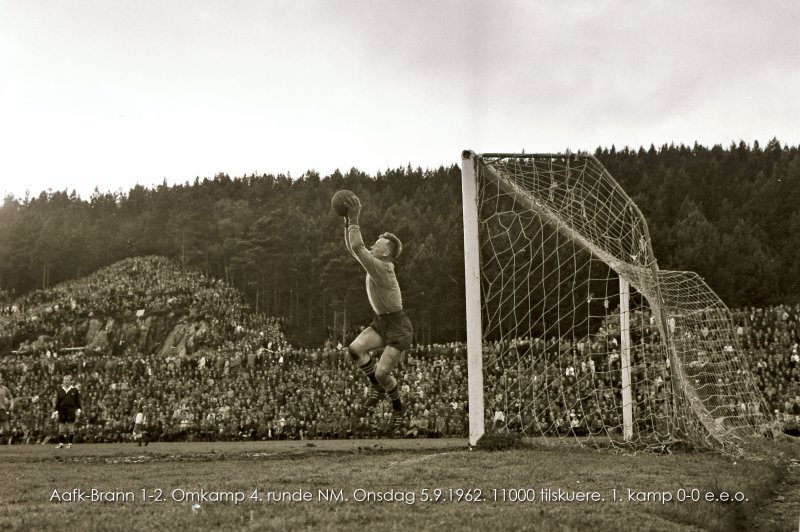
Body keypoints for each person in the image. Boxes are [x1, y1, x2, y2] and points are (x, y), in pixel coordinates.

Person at [342, 194, 413, 435]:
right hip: (382, 322)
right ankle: (376, 387)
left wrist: (354, 219)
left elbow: (357, 247)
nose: (374, 244)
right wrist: (346, 223)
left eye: (379, 243)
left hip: (397, 326)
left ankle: (398, 409)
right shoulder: (376, 262)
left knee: (383, 372)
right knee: (354, 350)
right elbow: (355, 250)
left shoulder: (382, 267)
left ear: (386, 253)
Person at [53, 374, 81, 449]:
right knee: (61, 427)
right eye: (65, 380)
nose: (66, 382)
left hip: (71, 410)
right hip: (61, 410)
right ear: (63, 381)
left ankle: (69, 444)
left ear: (70, 381)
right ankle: (61, 444)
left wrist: (78, 410)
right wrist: (55, 412)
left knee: (71, 426)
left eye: (68, 380)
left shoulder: (74, 390)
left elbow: (78, 402)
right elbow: (57, 402)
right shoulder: (60, 390)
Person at [0, 375, 13, 445]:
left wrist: (11, 405)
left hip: (2, 410)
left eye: (1, 378)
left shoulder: (5, 389)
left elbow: (11, 398)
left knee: (7, 430)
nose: (0, 379)